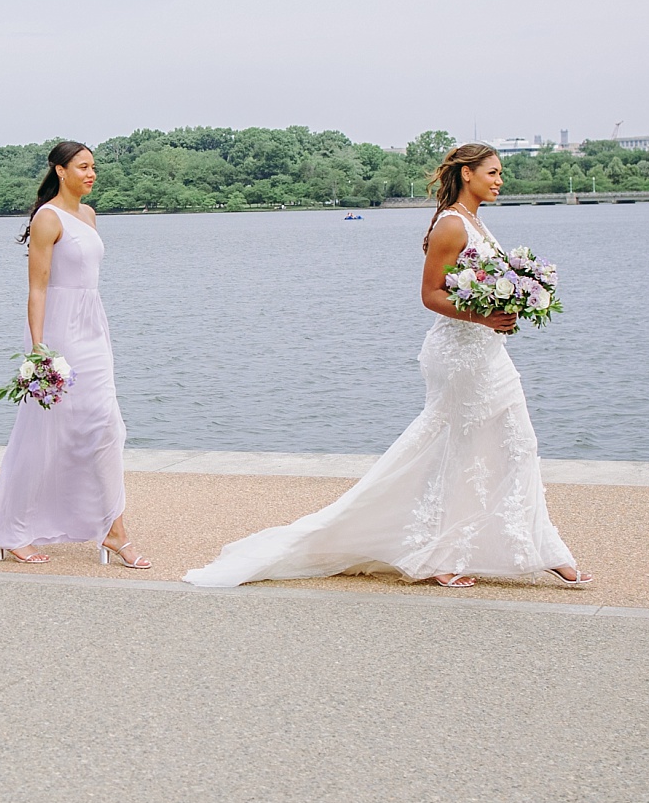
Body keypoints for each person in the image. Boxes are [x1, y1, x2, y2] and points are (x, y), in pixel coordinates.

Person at [184, 143, 592, 590]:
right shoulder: (451, 226)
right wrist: (483, 316)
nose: (499, 180)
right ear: (468, 174)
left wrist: (509, 304)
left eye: (501, 174)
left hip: (487, 351)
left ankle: (543, 548)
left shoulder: (477, 222)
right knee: (460, 448)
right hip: (459, 355)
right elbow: (431, 295)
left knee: (517, 443)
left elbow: (474, 288)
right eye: (492, 172)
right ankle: (439, 554)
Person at [0, 141, 150, 568]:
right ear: (60, 170)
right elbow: (37, 287)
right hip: (60, 332)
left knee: (107, 425)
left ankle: (112, 529)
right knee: (45, 432)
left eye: (93, 167)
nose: (91, 174)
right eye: (83, 167)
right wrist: (38, 350)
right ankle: (12, 529)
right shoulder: (47, 219)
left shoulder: (88, 215)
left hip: (93, 326)